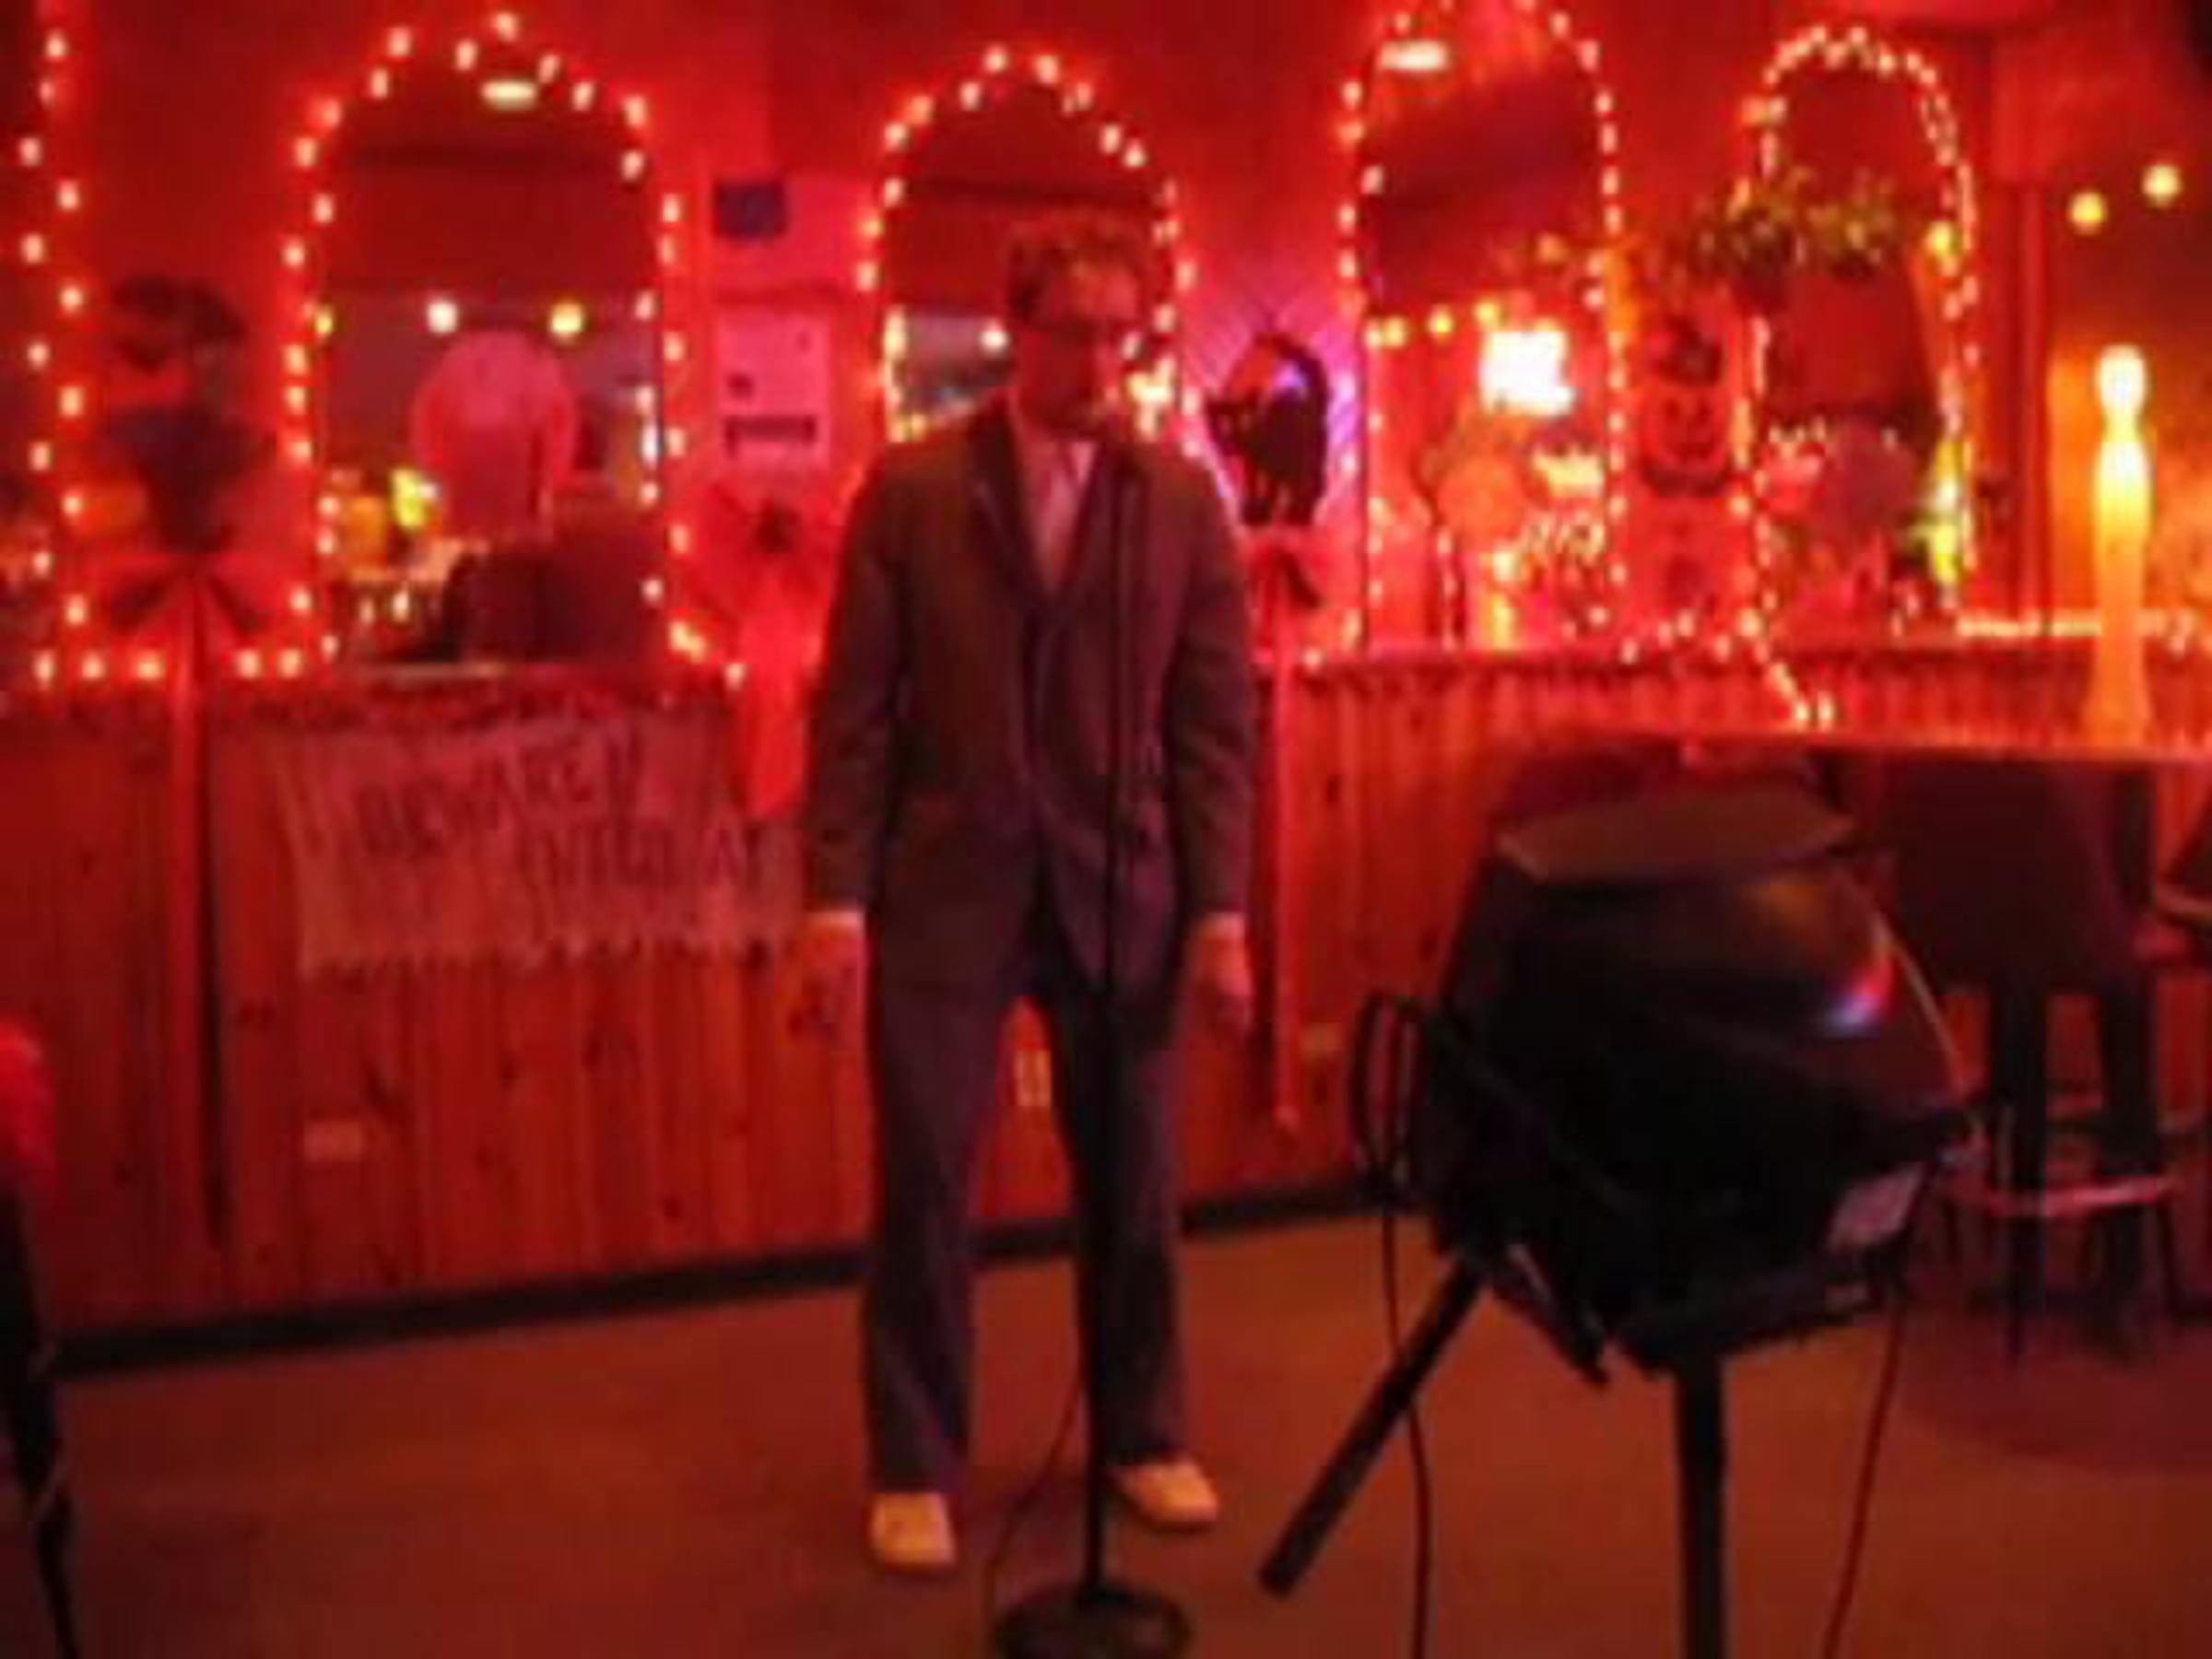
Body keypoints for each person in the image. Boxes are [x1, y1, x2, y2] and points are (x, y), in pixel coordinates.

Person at [800, 211, 1257, 1575]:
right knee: (927, 1178)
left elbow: (1214, 729)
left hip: (1122, 881)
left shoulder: (1177, 501)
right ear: (1017, 330)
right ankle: (914, 1465)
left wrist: (1222, 915)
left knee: (1136, 1176)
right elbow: (854, 717)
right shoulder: (913, 493)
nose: (1101, 364)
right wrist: (834, 906)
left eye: (1123, 337)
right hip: (947, 882)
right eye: (1074, 333)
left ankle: (1143, 1435)